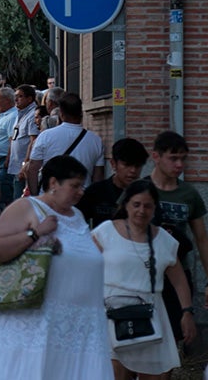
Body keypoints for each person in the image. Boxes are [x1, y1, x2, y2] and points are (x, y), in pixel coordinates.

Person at [0, 155, 112, 379]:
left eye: (82, 186)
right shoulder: (27, 208)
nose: (81, 191)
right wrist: (35, 233)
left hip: (80, 326)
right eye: (74, 186)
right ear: (54, 183)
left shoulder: (78, 215)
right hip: (35, 323)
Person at [92, 181, 196, 379]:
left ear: (155, 208)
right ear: (126, 205)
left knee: (156, 374)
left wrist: (187, 312)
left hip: (150, 313)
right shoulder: (105, 232)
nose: (141, 210)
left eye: (147, 206)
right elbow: (87, 271)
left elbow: (179, 280)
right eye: (136, 204)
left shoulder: (164, 240)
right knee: (114, 373)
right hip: (111, 313)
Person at [145, 130, 208, 342]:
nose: (179, 165)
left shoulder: (189, 194)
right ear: (156, 157)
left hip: (178, 272)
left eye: (183, 159)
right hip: (143, 274)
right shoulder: (140, 190)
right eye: (173, 158)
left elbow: (202, 239)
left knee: (172, 339)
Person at [26, 93, 105, 195]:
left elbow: (32, 168)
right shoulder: (96, 141)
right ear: (81, 113)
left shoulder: (45, 136)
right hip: (81, 199)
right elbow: (98, 177)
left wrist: (35, 196)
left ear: (61, 114)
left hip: (50, 198)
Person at [78, 137, 149, 228]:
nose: (133, 170)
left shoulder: (146, 194)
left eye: (137, 166)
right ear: (113, 164)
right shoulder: (96, 192)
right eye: (127, 165)